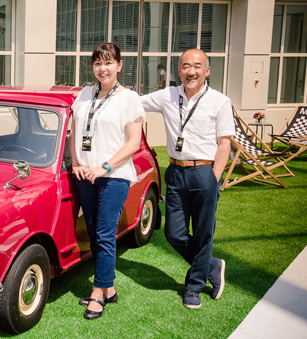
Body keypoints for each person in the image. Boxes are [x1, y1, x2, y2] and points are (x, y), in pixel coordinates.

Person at [140, 48, 233, 309]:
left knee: (203, 233)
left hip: (205, 171)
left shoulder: (219, 101)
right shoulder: (167, 95)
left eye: (196, 66)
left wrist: (214, 177)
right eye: (185, 66)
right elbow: (135, 102)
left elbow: (224, 144)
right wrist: (100, 91)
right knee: (174, 233)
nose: (190, 71)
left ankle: (194, 286)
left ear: (207, 70)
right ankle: (212, 265)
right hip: (176, 172)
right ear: (178, 70)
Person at [68, 42, 144, 320]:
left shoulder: (129, 98)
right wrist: (76, 162)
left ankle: (98, 292)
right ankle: (109, 288)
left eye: (109, 62)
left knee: (103, 234)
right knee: (92, 231)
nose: (103, 68)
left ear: (119, 65)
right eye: (98, 62)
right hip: (85, 175)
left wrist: (104, 167)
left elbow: (133, 142)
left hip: (113, 176)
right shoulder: (85, 93)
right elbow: (75, 128)